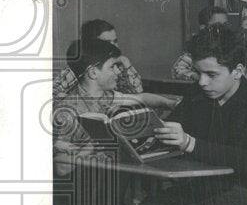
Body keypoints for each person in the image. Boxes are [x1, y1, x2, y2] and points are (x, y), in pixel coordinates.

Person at [117, 26, 247, 205]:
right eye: (198, 73)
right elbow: (170, 129)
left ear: (238, 71)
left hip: (242, 198)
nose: (203, 82)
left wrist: (189, 143)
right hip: (194, 191)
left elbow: (245, 159)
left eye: (212, 74)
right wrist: (134, 135)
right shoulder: (198, 94)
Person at [53, 38, 178, 177]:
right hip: (85, 185)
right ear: (93, 73)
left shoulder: (107, 96)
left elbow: (141, 97)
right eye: (112, 67)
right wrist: (91, 147)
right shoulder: (67, 111)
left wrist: (170, 103)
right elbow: (62, 169)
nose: (118, 72)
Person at [54, 19, 143, 99]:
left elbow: (137, 94)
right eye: (107, 43)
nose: (114, 47)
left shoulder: (119, 67)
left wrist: (126, 63)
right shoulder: (77, 69)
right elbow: (52, 94)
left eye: (115, 41)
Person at [171, 6, 229, 81]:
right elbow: (177, 71)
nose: (223, 30)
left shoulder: (232, 47)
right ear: (203, 28)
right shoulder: (194, 49)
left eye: (225, 25)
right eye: (218, 26)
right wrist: (195, 76)